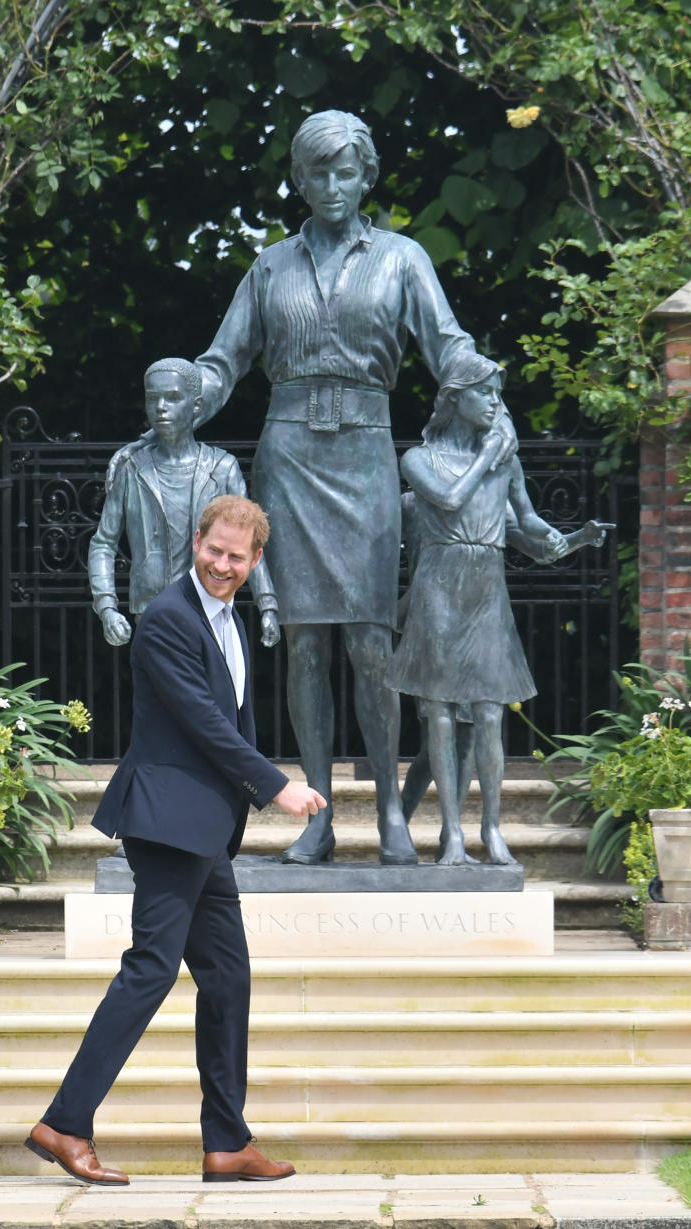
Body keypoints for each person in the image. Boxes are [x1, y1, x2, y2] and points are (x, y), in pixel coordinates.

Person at [191, 110, 516, 867]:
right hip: (291, 456)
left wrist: (489, 395)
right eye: (318, 172)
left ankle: (392, 817)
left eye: (347, 172)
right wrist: (182, 400)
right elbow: (223, 359)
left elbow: (449, 346)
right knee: (304, 642)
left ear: (367, 177)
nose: (333, 186)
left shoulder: (402, 259)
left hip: (367, 453)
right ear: (298, 180)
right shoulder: (269, 267)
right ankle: (316, 814)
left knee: (372, 640)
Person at [25, 495, 326, 1185]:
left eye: (236, 556)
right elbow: (203, 725)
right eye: (214, 549)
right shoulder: (166, 619)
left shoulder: (227, 620)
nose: (222, 565)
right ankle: (65, 1123)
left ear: (255, 562)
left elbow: (231, 718)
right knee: (152, 968)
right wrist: (273, 785)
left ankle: (226, 1141)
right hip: (166, 823)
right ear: (197, 541)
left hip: (203, 831)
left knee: (227, 977)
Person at [386, 355, 569, 866]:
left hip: (486, 585)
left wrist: (566, 539)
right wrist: (488, 454)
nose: (494, 402)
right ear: (454, 399)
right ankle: (451, 834)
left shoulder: (505, 460)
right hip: (439, 586)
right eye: (484, 393)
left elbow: (528, 521)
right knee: (440, 714)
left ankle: (491, 828)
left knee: (490, 712)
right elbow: (447, 499)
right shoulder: (419, 459)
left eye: (497, 394)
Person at [88, 357, 279, 648]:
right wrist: (107, 607)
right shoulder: (132, 469)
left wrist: (267, 604)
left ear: (197, 406)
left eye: (173, 398)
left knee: (208, 693)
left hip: (213, 609)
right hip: (153, 613)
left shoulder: (222, 468)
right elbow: (103, 543)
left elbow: (249, 542)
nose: (161, 407)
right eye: (153, 399)